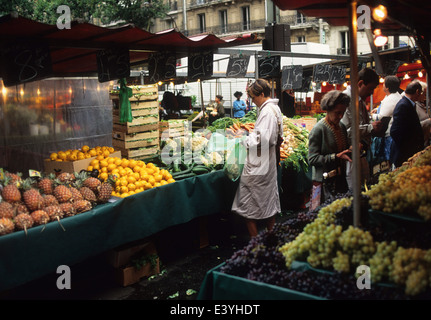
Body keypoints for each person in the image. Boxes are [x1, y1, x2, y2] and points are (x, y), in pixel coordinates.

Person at [231, 79, 283, 238]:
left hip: (259, 164)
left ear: (261, 94)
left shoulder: (267, 112)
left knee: (248, 203)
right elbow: (278, 136)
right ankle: (270, 236)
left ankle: (256, 243)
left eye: (253, 97)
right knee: (268, 200)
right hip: (269, 162)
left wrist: (243, 138)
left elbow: (261, 140)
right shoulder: (274, 109)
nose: (252, 101)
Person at [308, 90, 352, 210]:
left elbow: (344, 150)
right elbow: (312, 159)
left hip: (340, 180)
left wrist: (351, 149)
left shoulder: (342, 127)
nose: (340, 116)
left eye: (342, 113)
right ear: (328, 110)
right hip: (323, 184)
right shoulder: (318, 129)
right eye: (337, 113)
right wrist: (335, 156)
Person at [341, 68, 382, 189]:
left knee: (364, 189)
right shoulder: (346, 99)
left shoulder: (360, 100)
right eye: (371, 88)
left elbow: (364, 122)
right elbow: (347, 131)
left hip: (362, 153)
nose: (372, 93)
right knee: (355, 193)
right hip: (352, 156)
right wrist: (370, 127)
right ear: (360, 83)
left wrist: (373, 126)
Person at [390, 80, 425, 168]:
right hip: (403, 156)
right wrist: (408, 149)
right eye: (421, 93)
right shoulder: (403, 105)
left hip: (407, 154)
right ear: (417, 92)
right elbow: (395, 131)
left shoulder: (408, 104)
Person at [370, 75, 402, 161]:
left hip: (390, 135)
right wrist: (377, 109)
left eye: (384, 83)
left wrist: (371, 116)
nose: (382, 85)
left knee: (389, 158)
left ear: (387, 87)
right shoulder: (392, 96)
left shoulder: (391, 99)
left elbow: (381, 117)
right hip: (392, 133)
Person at [415, 81, 431, 147]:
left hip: (425, 142)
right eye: (424, 94)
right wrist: (429, 121)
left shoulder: (420, 105)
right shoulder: (414, 106)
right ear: (418, 92)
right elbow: (414, 127)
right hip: (419, 144)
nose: (425, 97)